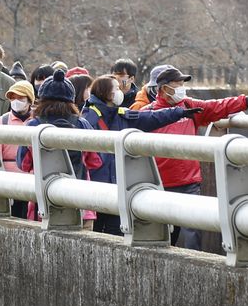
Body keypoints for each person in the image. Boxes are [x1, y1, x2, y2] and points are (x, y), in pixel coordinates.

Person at [143, 66, 248, 247]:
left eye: (182, 84)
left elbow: (217, 106)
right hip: (160, 183)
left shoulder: (188, 106)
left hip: (189, 182)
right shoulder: (147, 113)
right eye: (177, 84)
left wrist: (247, 101)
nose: (181, 89)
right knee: (163, 235)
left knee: (193, 231)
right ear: (163, 88)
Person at [83, 74, 196, 235]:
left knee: (117, 238)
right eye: (115, 88)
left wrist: (178, 113)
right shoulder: (89, 119)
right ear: (105, 93)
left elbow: (151, 117)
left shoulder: (122, 114)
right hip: (94, 192)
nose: (119, 91)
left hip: (119, 192)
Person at [16, 72, 103, 222]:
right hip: (79, 201)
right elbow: (95, 161)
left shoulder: (34, 124)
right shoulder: (82, 124)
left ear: (41, 99)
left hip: (43, 203)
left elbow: (23, 163)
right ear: (71, 100)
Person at [0, 80, 35, 218]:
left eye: (21, 98)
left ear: (29, 100)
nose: (16, 101)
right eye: (13, 98)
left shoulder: (37, 121)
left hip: (31, 178)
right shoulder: (2, 121)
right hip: (9, 179)